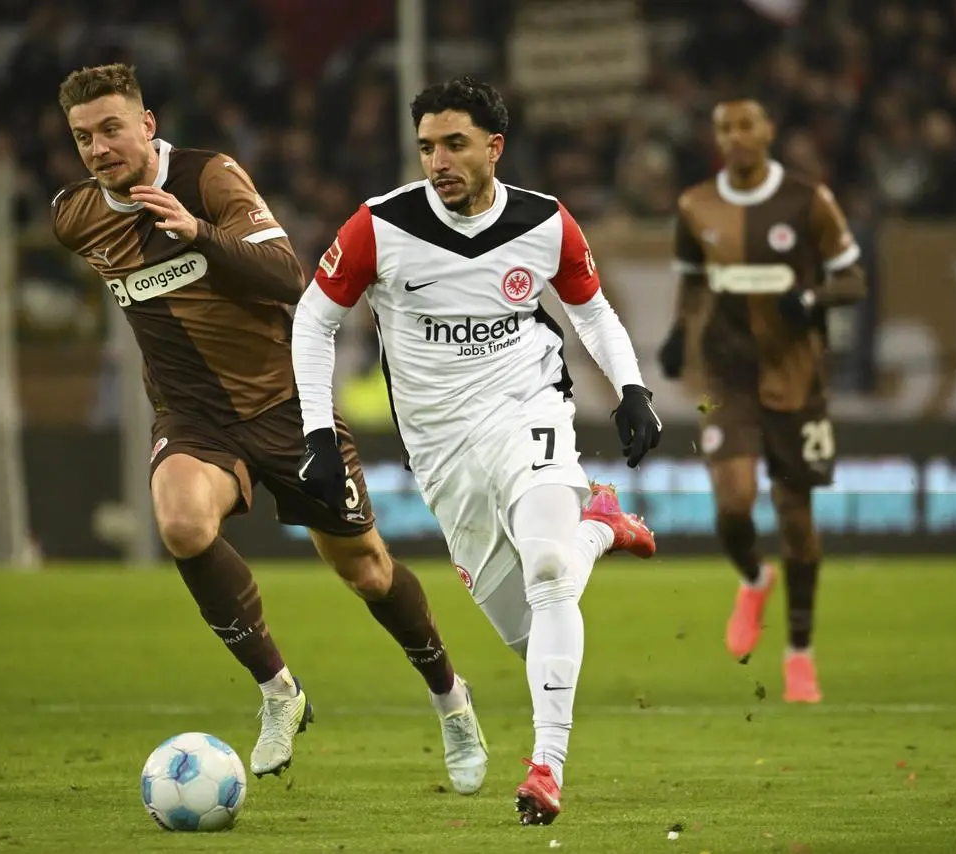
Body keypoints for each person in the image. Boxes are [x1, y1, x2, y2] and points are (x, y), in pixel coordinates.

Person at [49, 64, 487, 792]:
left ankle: (451, 699)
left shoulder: (210, 179)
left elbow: (292, 276)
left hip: (287, 407)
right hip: (194, 419)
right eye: (82, 137)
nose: (97, 148)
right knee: (182, 524)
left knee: (368, 571)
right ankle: (279, 692)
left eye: (111, 129)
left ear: (148, 125)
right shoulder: (75, 217)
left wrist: (197, 236)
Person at [290, 77, 662, 826]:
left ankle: (546, 770)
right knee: (527, 633)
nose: (438, 161)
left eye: (454, 144)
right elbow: (312, 321)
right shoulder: (377, 227)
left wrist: (631, 388)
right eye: (426, 146)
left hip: (529, 407)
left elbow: (592, 311)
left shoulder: (546, 223)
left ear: (495, 147)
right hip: (439, 447)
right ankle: (601, 526)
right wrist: (318, 433)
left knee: (550, 572)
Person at [655, 98, 866, 703]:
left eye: (748, 124)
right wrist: (677, 332)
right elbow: (694, 280)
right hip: (727, 378)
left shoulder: (808, 200)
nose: (738, 136)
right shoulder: (696, 205)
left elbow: (853, 278)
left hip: (796, 377)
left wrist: (814, 300)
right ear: (716, 137)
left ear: (769, 130)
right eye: (725, 127)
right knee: (735, 503)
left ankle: (799, 650)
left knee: (796, 517)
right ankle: (753, 577)